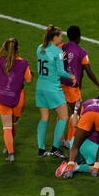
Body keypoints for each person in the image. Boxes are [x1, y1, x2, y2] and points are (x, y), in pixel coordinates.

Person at [36, 25, 76, 159]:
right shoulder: (58, 52)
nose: (62, 38)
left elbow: (47, 61)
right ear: (55, 37)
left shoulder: (39, 48)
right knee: (64, 116)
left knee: (44, 118)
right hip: (53, 89)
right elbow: (60, 72)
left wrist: (60, 58)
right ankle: (55, 148)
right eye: (60, 36)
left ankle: (41, 150)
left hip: (40, 87)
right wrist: (71, 76)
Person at [59, 25, 99, 147]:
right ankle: (69, 141)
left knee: (61, 113)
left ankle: (59, 140)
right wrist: (98, 84)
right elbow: (88, 71)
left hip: (60, 85)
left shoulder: (61, 47)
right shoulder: (82, 52)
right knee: (75, 113)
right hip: (73, 87)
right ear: (79, 37)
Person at [0, 38, 32, 163]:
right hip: (18, 98)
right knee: (13, 123)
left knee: (6, 128)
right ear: (18, 48)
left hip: (3, 97)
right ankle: (8, 145)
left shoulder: (1, 60)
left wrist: (2, 48)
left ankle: (10, 152)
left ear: (6, 48)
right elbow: (29, 80)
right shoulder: (24, 63)